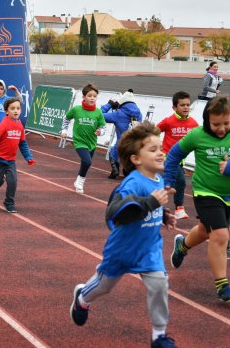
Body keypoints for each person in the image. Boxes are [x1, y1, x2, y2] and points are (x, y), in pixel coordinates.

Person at [69, 122, 178, 348]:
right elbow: (116, 211)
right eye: (152, 149)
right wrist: (150, 203)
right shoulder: (131, 184)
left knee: (160, 285)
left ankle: (159, 335)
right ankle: (82, 299)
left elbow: (150, 206)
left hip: (149, 249)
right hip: (122, 250)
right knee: (104, 286)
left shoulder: (158, 180)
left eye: (160, 148)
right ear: (136, 159)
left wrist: (164, 214)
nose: (160, 152)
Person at [164, 94, 230, 302]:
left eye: (226, 123)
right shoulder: (196, 135)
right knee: (220, 235)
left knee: (207, 231)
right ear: (207, 120)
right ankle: (222, 286)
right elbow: (173, 155)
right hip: (205, 192)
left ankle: (182, 246)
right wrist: (168, 180)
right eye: (216, 124)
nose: (222, 128)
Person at [0, 98, 35, 213]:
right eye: (12, 108)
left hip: (11, 161)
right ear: (6, 111)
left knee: (13, 181)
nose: (16, 111)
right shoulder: (3, 124)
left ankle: (9, 202)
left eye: (18, 108)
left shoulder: (20, 126)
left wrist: (28, 156)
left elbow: (23, 143)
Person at [156, 91, 199, 219]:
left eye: (188, 105)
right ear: (174, 107)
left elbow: (199, 137)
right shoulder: (169, 121)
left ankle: (155, 206)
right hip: (167, 157)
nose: (186, 107)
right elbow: (155, 130)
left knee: (166, 183)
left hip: (181, 160)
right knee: (180, 180)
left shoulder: (193, 124)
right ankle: (179, 208)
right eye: (182, 105)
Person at [59, 84, 106, 194]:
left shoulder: (98, 112)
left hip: (92, 142)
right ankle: (80, 181)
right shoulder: (76, 109)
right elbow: (66, 118)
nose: (92, 98)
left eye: (94, 96)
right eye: (90, 95)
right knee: (87, 161)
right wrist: (64, 130)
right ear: (83, 97)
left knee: (86, 163)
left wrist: (100, 132)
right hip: (79, 141)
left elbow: (103, 127)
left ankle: (78, 181)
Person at [101, 89, 143, 179]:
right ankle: (129, 170)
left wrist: (109, 104)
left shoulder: (118, 114)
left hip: (121, 145)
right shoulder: (139, 114)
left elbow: (99, 115)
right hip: (135, 147)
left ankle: (115, 170)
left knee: (113, 151)